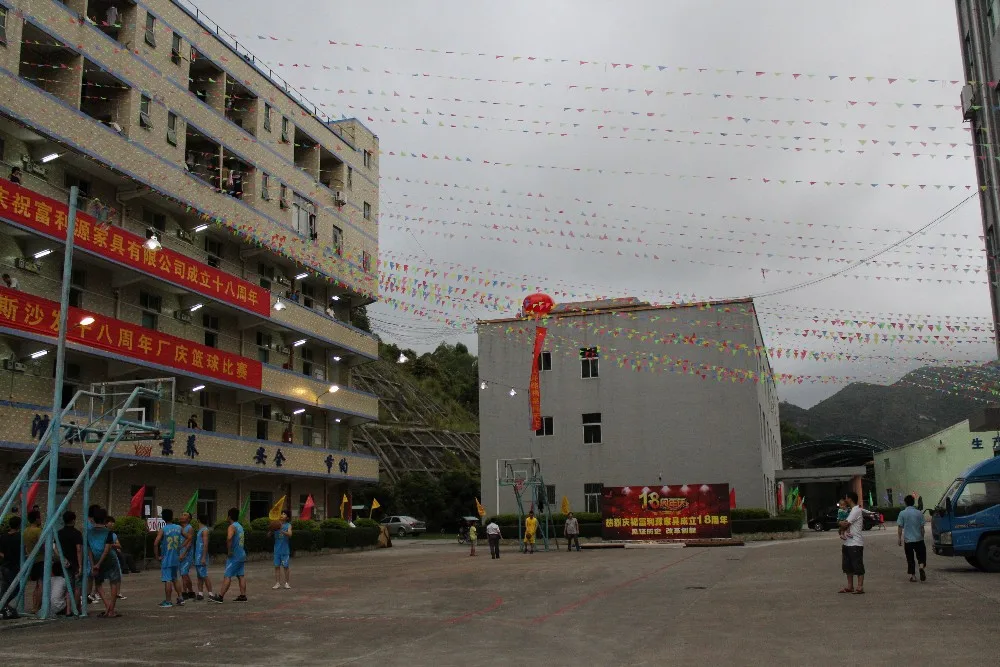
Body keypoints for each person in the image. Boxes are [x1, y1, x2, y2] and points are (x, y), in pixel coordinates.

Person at [87, 507, 122, 617]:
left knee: (98, 583)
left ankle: (107, 606)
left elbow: (89, 550)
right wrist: (99, 563)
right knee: (114, 582)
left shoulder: (89, 533)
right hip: (110, 560)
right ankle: (111, 609)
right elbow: (107, 549)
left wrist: (94, 564)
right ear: (104, 520)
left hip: (96, 559)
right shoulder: (108, 533)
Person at [208, 507, 246, 603]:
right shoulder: (240, 526)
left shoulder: (232, 526)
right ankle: (243, 595)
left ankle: (220, 597)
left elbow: (229, 538)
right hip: (241, 554)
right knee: (240, 575)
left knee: (227, 575)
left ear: (229, 516)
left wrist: (229, 551)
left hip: (235, 555)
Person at [153, 509, 185, 608]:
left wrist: (157, 556)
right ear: (172, 516)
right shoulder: (179, 527)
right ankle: (180, 598)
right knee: (175, 578)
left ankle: (168, 601)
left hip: (167, 558)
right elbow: (189, 537)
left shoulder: (163, 529)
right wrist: (181, 546)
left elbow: (155, 543)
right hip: (176, 557)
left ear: (163, 518)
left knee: (167, 580)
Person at [838, 492, 865, 594]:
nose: (845, 500)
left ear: (850, 499)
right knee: (847, 566)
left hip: (855, 543)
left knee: (858, 565)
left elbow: (845, 524)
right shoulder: (849, 511)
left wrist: (839, 523)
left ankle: (860, 586)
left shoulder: (855, 510)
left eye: (846, 498)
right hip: (847, 543)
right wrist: (840, 523)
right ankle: (850, 586)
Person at [58, 511, 84, 612]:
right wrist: (80, 565)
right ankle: (75, 608)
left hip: (65, 562)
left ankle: (68, 610)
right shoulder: (77, 533)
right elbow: (78, 550)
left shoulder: (59, 533)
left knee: (68, 586)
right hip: (75, 562)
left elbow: (56, 547)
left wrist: (62, 558)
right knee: (77, 586)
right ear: (73, 520)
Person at [897, 495, 927, 583]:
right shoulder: (919, 513)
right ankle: (921, 567)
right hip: (919, 539)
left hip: (908, 540)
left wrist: (899, 538)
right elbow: (922, 528)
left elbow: (900, 527)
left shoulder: (902, 513)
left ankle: (913, 576)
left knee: (910, 558)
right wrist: (922, 536)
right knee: (921, 556)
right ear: (913, 503)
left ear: (905, 503)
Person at [0, 516, 22, 619]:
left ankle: (3, 605)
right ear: (19, 525)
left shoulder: (3, 536)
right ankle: (3, 604)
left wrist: (5, 557)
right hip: (13, 566)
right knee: (15, 589)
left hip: (4, 565)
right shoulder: (19, 537)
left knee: (4, 588)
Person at [23, 509, 43, 612]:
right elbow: (43, 545)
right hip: (40, 559)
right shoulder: (38, 531)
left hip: (32, 559)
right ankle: (37, 607)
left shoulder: (25, 531)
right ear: (36, 519)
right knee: (41, 584)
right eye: (39, 517)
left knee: (36, 585)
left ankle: (34, 606)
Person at [105, 517, 128, 600]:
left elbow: (119, 546)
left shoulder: (113, 535)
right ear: (106, 523)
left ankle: (117, 593)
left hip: (113, 557)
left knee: (118, 576)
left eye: (113, 523)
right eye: (110, 522)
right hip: (103, 557)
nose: (112, 524)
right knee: (99, 577)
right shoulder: (103, 533)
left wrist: (112, 545)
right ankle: (93, 593)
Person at [271, 510, 292, 589]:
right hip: (277, 550)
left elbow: (290, 534)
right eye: (282, 513)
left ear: (287, 517)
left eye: (284, 514)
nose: (282, 515)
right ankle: (277, 583)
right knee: (277, 567)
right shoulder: (276, 524)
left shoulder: (288, 525)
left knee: (286, 567)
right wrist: (271, 529)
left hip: (285, 550)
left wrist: (281, 530)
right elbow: (268, 535)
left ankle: (287, 583)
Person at [194, 515, 213, 601]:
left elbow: (206, 544)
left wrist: (204, 557)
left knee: (204, 575)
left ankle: (210, 593)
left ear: (198, 520)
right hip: (198, 555)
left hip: (201, 556)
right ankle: (200, 593)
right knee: (199, 576)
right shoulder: (200, 530)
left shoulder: (205, 530)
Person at [178, 512, 195, 600]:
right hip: (180, 553)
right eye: (182, 514)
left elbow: (189, 542)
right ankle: (190, 592)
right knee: (184, 574)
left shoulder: (190, 528)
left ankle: (186, 592)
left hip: (187, 554)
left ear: (189, 519)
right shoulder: (180, 528)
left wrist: (183, 554)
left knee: (184, 573)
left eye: (185, 515)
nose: (182, 516)